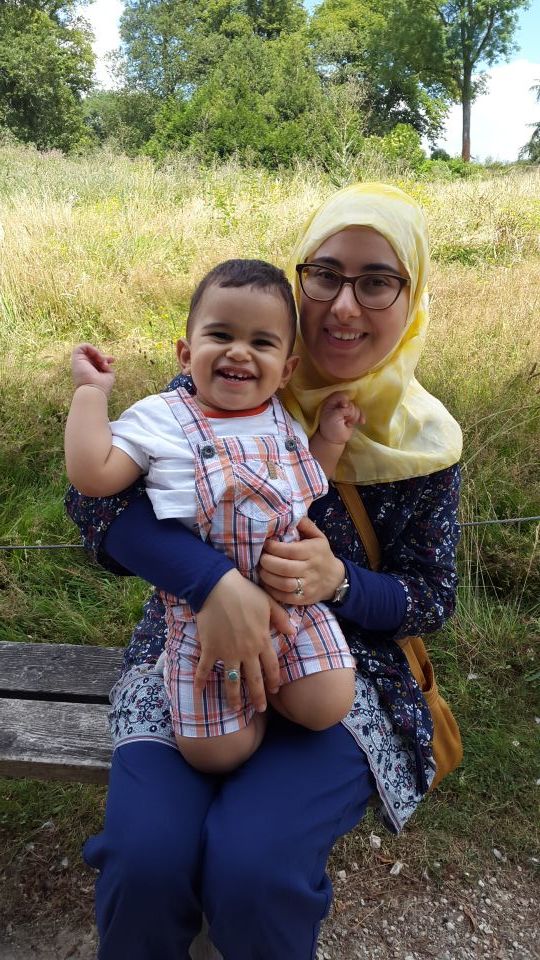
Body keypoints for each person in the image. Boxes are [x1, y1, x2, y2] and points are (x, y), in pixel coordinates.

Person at [65, 182, 462, 960]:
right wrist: (212, 583)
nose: (344, 304)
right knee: (146, 861)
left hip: (344, 677)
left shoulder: (426, 445)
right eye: (327, 274)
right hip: (191, 649)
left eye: (377, 281)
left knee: (255, 867)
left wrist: (339, 581)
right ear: (300, 278)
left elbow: (431, 598)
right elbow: (96, 508)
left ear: (411, 296)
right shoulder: (225, 378)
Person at [65, 259, 358, 773]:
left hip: (290, 608)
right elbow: (93, 477)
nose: (239, 351)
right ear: (186, 353)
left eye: (262, 342)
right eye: (220, 335)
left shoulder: (282, 421)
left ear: (286, 370)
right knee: (215, 755)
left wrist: (329, 441)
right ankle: (249, 721)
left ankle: (276, 695)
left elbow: (306, 486)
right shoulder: (161, 418)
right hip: (204, 622)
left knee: (328, 702)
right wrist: (91, 392)